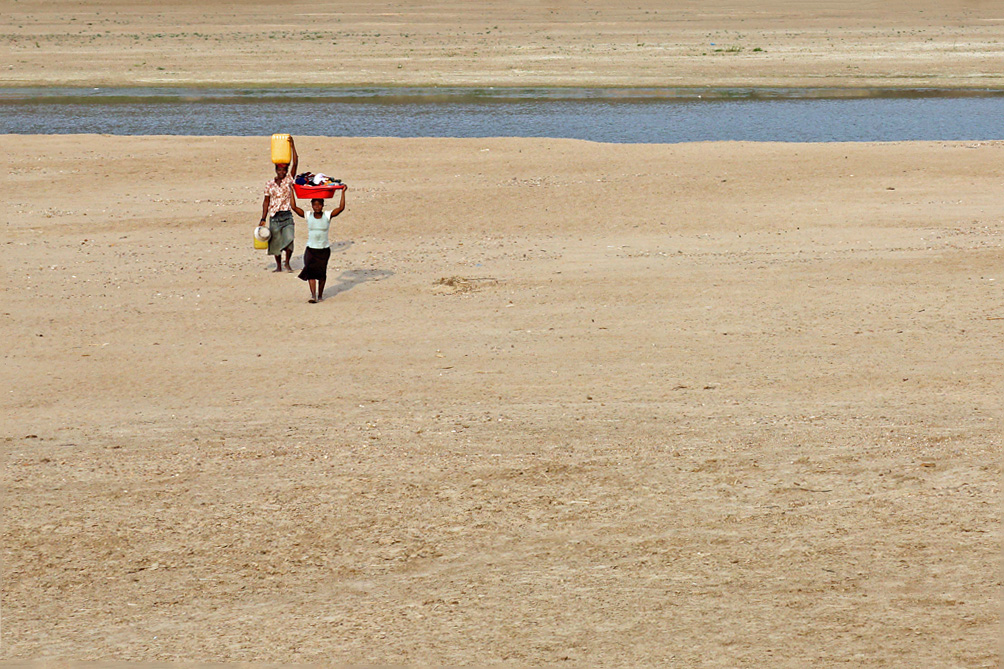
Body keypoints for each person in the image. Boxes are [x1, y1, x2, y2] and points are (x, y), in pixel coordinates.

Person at [259, 136, 303, 272]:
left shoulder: (289, 180)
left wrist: (292, 146)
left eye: (284, 170)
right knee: (275, 243)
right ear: (276, 170)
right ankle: (278, 266)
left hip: (287, 215)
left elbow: (295, 163)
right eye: (279, 170)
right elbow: (266, 202)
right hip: (274, 217)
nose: (282, 172)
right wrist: (263, 218)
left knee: (289, 240)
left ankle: (287, 263)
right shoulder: (269, 184)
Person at [297, 188, 346, 303]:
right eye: (315, 205)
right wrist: (291, 191)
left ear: (323, 205)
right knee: (310, 272)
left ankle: (320, 295)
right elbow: (294, 208)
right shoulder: (308, 215)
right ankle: (313, 295)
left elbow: (341, 208)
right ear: (312, 206)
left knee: (322, 274)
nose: (317, 207)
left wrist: (343, 192)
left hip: (323, 250)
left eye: (319, 205)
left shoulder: (327, 216)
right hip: (310, 249)